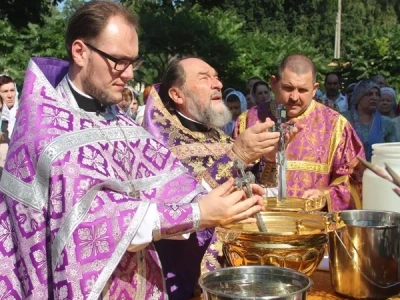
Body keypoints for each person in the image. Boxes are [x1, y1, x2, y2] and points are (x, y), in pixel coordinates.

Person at [0, 2, 266, 299]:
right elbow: (94, 226)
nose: (128, 74)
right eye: (119, 61)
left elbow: (169, 189)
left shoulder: (120, 121)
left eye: (133, 63)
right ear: (80, 51)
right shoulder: (45, 132)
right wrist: (197, 213)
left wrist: (225, 197)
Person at [143, 56, 282, 300]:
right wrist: (237, 155)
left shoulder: (219, 138)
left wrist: (268, 159)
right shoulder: (158, 147)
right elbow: (182, 207)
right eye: (204, 78)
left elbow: (260, 185)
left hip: (238, 266)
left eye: (216, 76)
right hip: (188, 279)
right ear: (177, 95)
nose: (217, 83)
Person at [234, 54, 366, 212]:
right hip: (259, 227)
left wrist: (326, 196)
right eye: (288, 88)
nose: (294, 97)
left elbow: (355, 179)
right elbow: (231, 174)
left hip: (313, 228)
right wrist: (267, 162)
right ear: (274, 83)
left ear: (315, 89)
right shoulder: (249, 121)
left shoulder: (336, 126)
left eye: (303, 90)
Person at [342, 79, 399, 161]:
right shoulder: (343, 119)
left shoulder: (387, 124)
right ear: (359, 96)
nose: (374, 97)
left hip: (377, 170)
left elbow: (394, 154)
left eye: (377, 94)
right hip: (347, 170)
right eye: (369, 94)